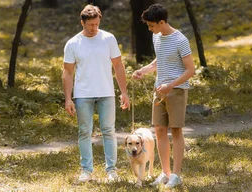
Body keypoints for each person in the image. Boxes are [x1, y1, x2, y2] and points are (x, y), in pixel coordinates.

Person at [62, 4, 130, 183]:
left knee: (109, 131)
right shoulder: (73, 43)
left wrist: (124, 92)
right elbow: (68, 72)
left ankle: (111, 171)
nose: (94, 28)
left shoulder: (108, 38)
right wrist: (68, 98)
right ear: (82, 22)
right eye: (90, 25)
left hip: (106, 92)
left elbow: (118, 66)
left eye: (97, 24)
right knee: (84, 132)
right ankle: (86, 170)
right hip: (83, 94)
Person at [132, 3, 195, 189]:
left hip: (176, 90)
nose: (150, 29)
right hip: (159, 90)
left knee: (176, 131)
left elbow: (190, 70)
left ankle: (176, 175)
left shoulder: (180, 40)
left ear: (162, 22)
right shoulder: (156, 36)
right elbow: (160, 60)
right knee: (159, 130)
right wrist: (145, 70)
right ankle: (165, 173)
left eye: (152, 25)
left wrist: (171, 85)